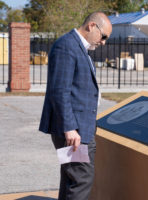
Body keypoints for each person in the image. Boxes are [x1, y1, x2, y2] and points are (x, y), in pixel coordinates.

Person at [39, 11, 112, 200]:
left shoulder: (80, 48)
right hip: (73, 133)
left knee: (71, 178)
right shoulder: (67, 46)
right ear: (91, 26)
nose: (103, 42)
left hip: (81, 129)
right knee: (81, 179)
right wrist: (70, 128)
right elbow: (59, 91)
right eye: (103, 36)